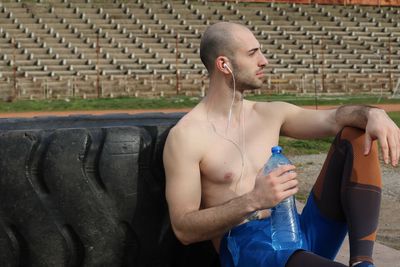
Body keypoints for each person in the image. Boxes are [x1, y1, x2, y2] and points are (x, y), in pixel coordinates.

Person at [163, 22, 400, 267]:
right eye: (253, 53)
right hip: (249, 247)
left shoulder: (270, 114)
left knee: (355, 133)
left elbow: (335, 118)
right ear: (224, 65)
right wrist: (253, 200)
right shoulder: (187, 136)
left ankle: (363, 263)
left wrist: (375, 114)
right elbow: (183, 228)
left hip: (294, 230)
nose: (264, 60)